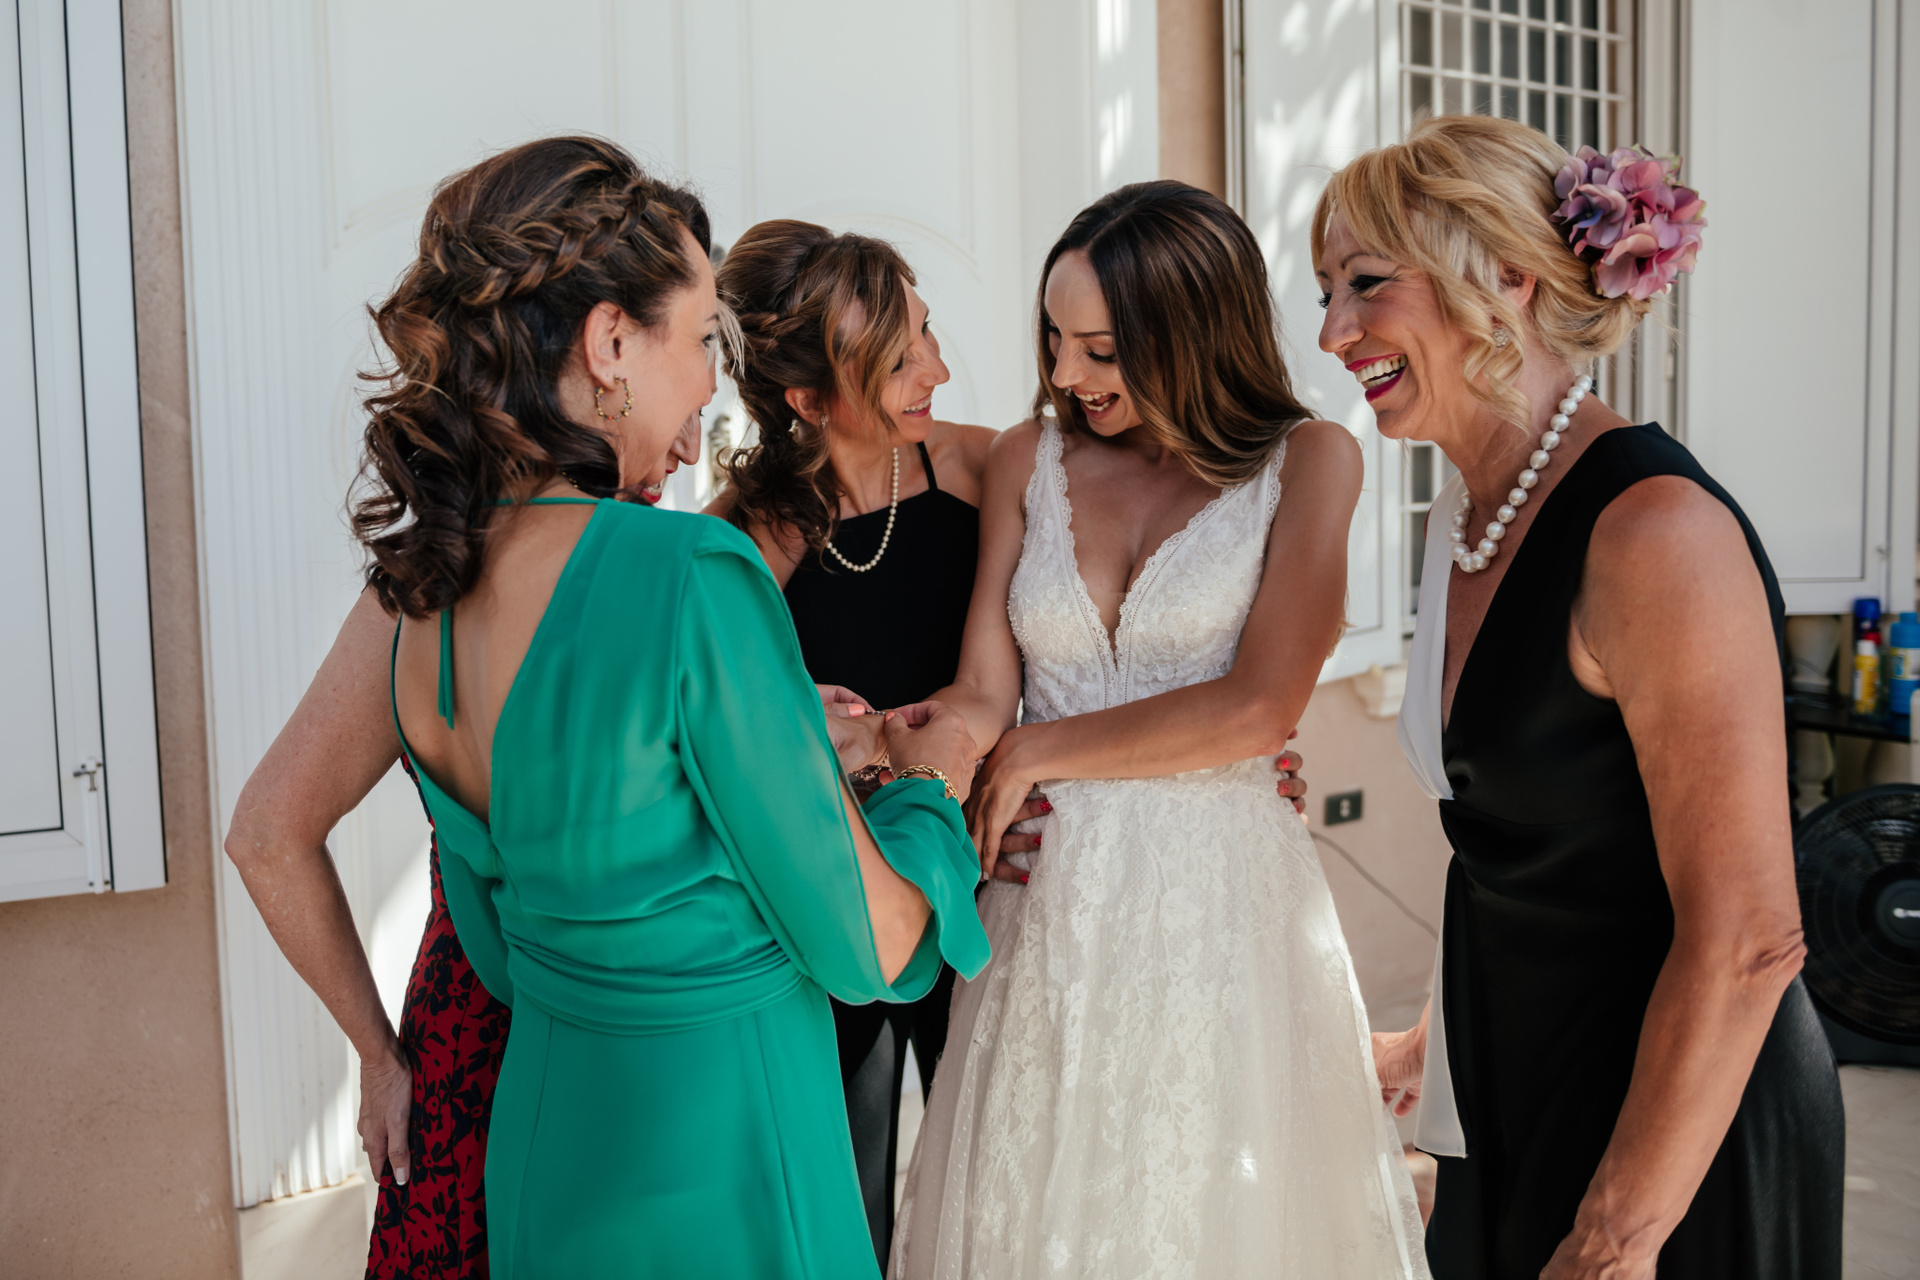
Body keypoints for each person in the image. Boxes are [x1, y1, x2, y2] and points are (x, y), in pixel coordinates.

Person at [237, 135, 992, 1279]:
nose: (710, 384)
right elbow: (873, 942)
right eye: (698, 341)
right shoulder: (690, 573)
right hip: (729, 1159)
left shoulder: (424, 593)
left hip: (547, 1152)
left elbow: (511, 934)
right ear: (609, 344)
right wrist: (928, 787)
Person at [1316, 115, 1843, 1279]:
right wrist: (1430, 1046)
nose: (1333, 331)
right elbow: (1526, 856)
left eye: (1365, 283)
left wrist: (1615, 1238)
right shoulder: (1462, 520)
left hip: (1676, 1135)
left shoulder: (1655, 533)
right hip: (1512, 1091)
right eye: (1326, 292)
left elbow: (1750, 937)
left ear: (1506, 275)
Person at [891, 180, 1428, 1279]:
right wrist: (942, 769)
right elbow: (986, 687)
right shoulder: (1025, 459)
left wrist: (1037, 751)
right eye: (1054, 340)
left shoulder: (1312, 460)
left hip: (1223, 909)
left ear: (1191, 330)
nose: (1066, 375)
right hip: (1044, 905)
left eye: (1100, 349)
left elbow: (1261, 706)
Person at [226, 406, 700, 1280]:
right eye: (684, 382)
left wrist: (381, 1059)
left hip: (470, 1034)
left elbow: (266, 836)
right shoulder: (678, 580)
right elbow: (264, 836)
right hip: (626, 1041)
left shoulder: (425, 579)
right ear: (601, 367)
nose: (690, 446)